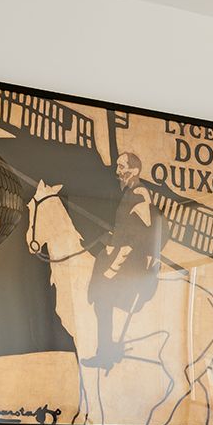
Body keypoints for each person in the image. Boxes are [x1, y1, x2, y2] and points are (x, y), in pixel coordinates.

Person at [83, 153, 162, 369]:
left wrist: (113, 265)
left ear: (134, 171)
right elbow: (126, 229)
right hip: (123, 254)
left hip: (131, 262)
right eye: (117, 166)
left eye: (122, 167)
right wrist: (110, 239)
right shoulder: (129, 193)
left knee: (102, 298)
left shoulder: (139, 195)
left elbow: (141, 235)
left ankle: (106, 355)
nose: (118, 171)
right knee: (101, 301)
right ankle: (106, 353)